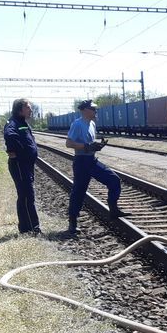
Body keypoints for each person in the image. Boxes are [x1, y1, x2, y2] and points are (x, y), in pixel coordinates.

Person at [65, 99, 125, 234]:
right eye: (93, 109)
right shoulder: (77, 124)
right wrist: (86, 146)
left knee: (114, 179)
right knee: (79, 191)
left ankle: (114, 210)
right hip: (81, 162)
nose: (95, 111)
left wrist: (97, 146)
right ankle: (72, 222)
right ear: (85, 110)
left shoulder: (92, 123)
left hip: (91, 160)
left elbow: (90, 144)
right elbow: (69, 143)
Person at [3, 97, 40, 235]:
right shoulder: (13, 123)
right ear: (20, 109)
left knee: (26, 195)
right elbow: (9, 135)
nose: (31, 110)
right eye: (28, 107)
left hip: (26, 165)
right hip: (19, 164)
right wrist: (16, 151)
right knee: (26, 196)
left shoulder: (22, 122)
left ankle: (26, 228)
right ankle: (32, 228)